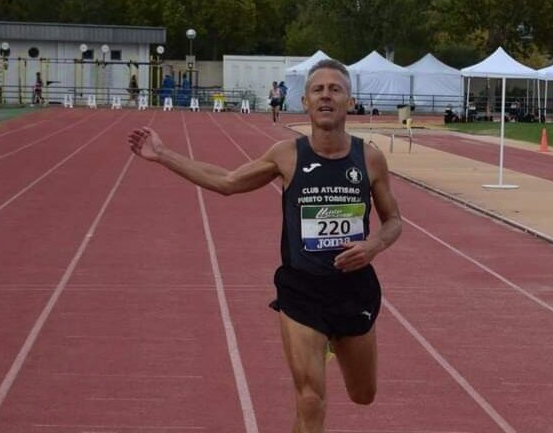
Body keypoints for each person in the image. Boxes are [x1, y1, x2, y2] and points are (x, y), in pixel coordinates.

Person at [128, 59, 402, 432]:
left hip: (354, 291)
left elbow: (393, 222)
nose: (326, 95)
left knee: (363, 394)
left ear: (349, 102)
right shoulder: (286, 155)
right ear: (304, 102)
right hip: (301, 291)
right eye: (317, 89)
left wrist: (372, 247)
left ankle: (335, 340)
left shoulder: (369, 158)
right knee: (309, 398)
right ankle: (317, 337)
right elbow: (226, 181)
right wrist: (163, 156)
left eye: (335, 89)